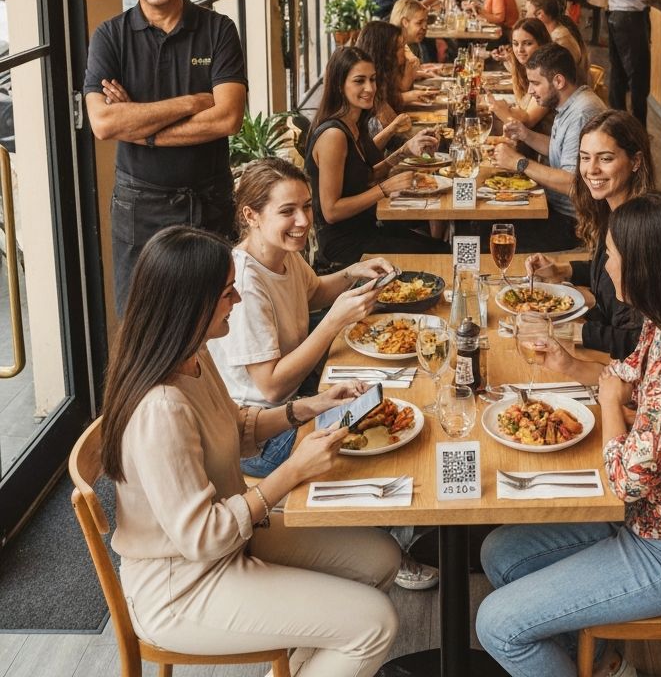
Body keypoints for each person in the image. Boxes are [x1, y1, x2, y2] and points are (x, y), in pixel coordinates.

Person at [102, 225, 400, 676]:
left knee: (382, 559)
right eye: (227, 293)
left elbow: (234, 427)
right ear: (192, 306)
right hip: (182, 586)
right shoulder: (160, 407)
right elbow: (203, 537)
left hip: (231, 543)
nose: (236, 301)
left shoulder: (191, 357)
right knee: (374, 624)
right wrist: (293, 472)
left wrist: (307, 407)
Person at [475, 192, 661, 677]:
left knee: (497, 625)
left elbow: (626, 480)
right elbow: (628, 378)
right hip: (647, 517)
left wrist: (607, 403)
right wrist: (573, 366)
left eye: (614, 254)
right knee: (501, 553)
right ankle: (605, 665)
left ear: (648, 267)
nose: (607, 264)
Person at [83, 0, 247, 314]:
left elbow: (227, 119)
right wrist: (191, 102)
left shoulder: (218, 30)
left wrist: (140, 124)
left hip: (208, 203)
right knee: (142, 326)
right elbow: (105, 124)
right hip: (140, 208)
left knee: (216, 324)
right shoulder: (110, 36)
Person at [208, 158, 390, 477]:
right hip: (261, 436)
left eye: (307, 207)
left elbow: (314, 291)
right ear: (251, 215)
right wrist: (335, 321)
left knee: (384, 402)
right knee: (377, 449)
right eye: (287, 211)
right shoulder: (245, 285)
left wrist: (353, 273)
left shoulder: (283, 253)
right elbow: (272, 388)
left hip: (295, 402)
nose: (303, 220)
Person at [305, 46, 448, 269]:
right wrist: (384, 189)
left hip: (367, 228)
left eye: (372, 79)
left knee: (443, 250)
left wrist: (405, 150)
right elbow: (331, 211)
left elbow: (365, 175)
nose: (370, 88)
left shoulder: (355, 123)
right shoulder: (334, 135)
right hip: (344, 245)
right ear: (339, 85)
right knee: (443, 255)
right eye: (359, 81)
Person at [525, 110, 651, 357]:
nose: (591, 170)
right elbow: (607, 271)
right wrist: (563, 270)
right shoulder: (611, 209)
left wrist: (567, 332)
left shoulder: (644, 232)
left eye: (605, 159)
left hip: (627, 369)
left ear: (636, 161)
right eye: (584, 158)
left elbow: (641, 341)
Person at [495, 43, 604, 251]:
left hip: (572, 223)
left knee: (482, 234)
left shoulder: (582, 113)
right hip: (554, 210)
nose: (530, 91)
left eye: (535, 83)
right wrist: (525, 135)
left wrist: (519, 163)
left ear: (558, 81)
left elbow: (574, 184)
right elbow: (560, 149)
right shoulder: (571, 103)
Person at [605, 0, 655, 127]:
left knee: (618, 72)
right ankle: (638, 127)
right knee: (638, 76)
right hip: (631, 20)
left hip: (615, 16)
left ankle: (618, 122)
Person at [487, 18, 552, 135]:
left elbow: (528, 122)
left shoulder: (548, 73)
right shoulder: (524, 68)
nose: (519, 50)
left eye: (528, 43)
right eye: (515, 44)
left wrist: (499, 109)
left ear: (542, 44)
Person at [355, 20, 414, 150]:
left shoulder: (380, 81)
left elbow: (395, 122)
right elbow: (361, 154)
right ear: (385, 52)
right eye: (400, 47)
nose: (404, 52)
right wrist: (393, 127)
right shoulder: (362, 90)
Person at [525, 0, 590, 82]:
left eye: (527, 11)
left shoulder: (557, 40)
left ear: (540, 14)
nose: (526, 16)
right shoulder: (558, 31)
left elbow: (546, 76)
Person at [390, 0, 444, 89]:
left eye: (426, 22)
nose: (425, 27)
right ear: (405, 22)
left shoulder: (408, 45)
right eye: (419, 23)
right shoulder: (392, 47)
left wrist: (423, 72)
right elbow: (399, 89)